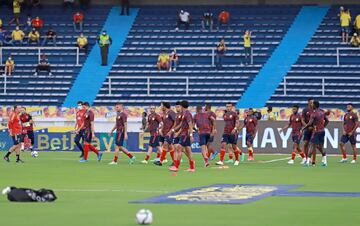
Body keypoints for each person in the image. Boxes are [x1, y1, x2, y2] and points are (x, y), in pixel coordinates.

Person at [169, 100, 195, 172]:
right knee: (188, 151)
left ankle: (176, 167)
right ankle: (192, 168)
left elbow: (190, 124)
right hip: (183, 133)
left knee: (179, 148)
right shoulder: (185, 113)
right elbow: (183, 125)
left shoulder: (187, 114)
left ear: (182, 106)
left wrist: (191, 135)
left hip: (185, 134)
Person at [302, 100, 329, 167]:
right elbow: (327, 121)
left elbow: (309, 123)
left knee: (311, 145)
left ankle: (307, 162)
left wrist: (303, 128)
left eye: (312, 104)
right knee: (319, 146)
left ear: (314, 105)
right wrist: (322, 127)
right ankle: (325, 161)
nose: (311, 105)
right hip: (322, 131)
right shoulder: (322, 112)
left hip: (316, 131)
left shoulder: (314, 113)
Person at [154, 102, 176, 166]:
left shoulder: (171, 113)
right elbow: (164, 124)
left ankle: (161, 161)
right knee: (170, 147)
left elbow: (175, 122)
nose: (160, 107)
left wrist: (172, 130)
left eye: (161, 106)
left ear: (165, 106)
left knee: (165, 145)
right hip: (165, 132)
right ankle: (174, 161)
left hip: (169, 133)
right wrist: (160, 129)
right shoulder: (164, 114)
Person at [301, 98, 315, 163]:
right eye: (311, 102)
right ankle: (306, 158)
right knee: (305, 144)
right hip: (307, 129)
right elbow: (302, 120)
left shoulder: (315, 110)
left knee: (313, 144)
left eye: (313, 102)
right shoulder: (305, 110)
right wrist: (307, 126)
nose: (312, 103)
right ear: (308, 103)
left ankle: (313, 160)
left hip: (314, 129)